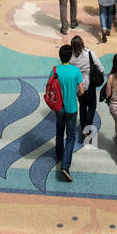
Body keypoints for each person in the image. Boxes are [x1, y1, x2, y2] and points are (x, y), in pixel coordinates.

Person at [53, 44, 83, 184]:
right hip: (71, 108)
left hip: (59, 108)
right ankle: (65, 165)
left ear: (60, 56)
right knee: (71, 136)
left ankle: (58, 155)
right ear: (70, 57)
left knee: (59, 131)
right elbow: (81, 91)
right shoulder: (75, 71)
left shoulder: (55, 70)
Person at [69, 34, 104, 138]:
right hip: (89, 85)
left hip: (77, 87)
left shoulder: (71, 57)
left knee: (82, 106)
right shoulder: (89, 53)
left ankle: (83, 125)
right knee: (92, 106)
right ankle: (86, 127)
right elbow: (101, 68)